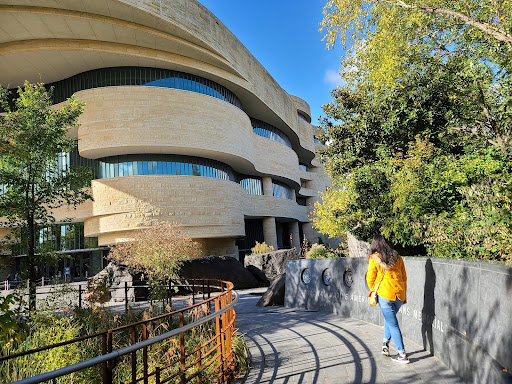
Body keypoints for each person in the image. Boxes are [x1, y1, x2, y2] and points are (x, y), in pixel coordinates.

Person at [366, 234, 409, 364]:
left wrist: (375, 289)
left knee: (393, 323)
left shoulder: (374, 258)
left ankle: (402, 354)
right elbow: (404, 277)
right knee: (390, 320)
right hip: (399, 294)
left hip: (385, 294)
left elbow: (370, 277)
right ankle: (385, 343)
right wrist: (404, 295)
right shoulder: (398, 257)